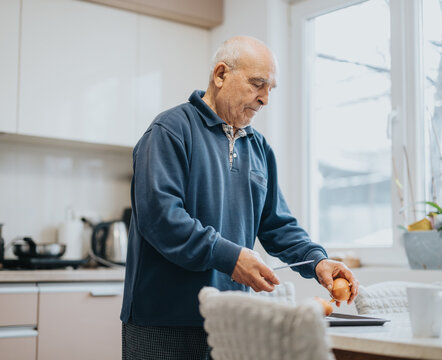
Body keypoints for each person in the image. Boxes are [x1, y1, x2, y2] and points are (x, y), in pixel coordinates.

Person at [120, 35, 359, 359]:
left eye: (270, 89)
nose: (265, 99)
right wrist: (229, 256)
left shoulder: (259, 148)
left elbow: (277, 226)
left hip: (232, 322)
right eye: (257, 84)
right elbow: (161, 217)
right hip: (164, 321)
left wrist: (317, 261)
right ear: (220, 75)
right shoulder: (169, 130)